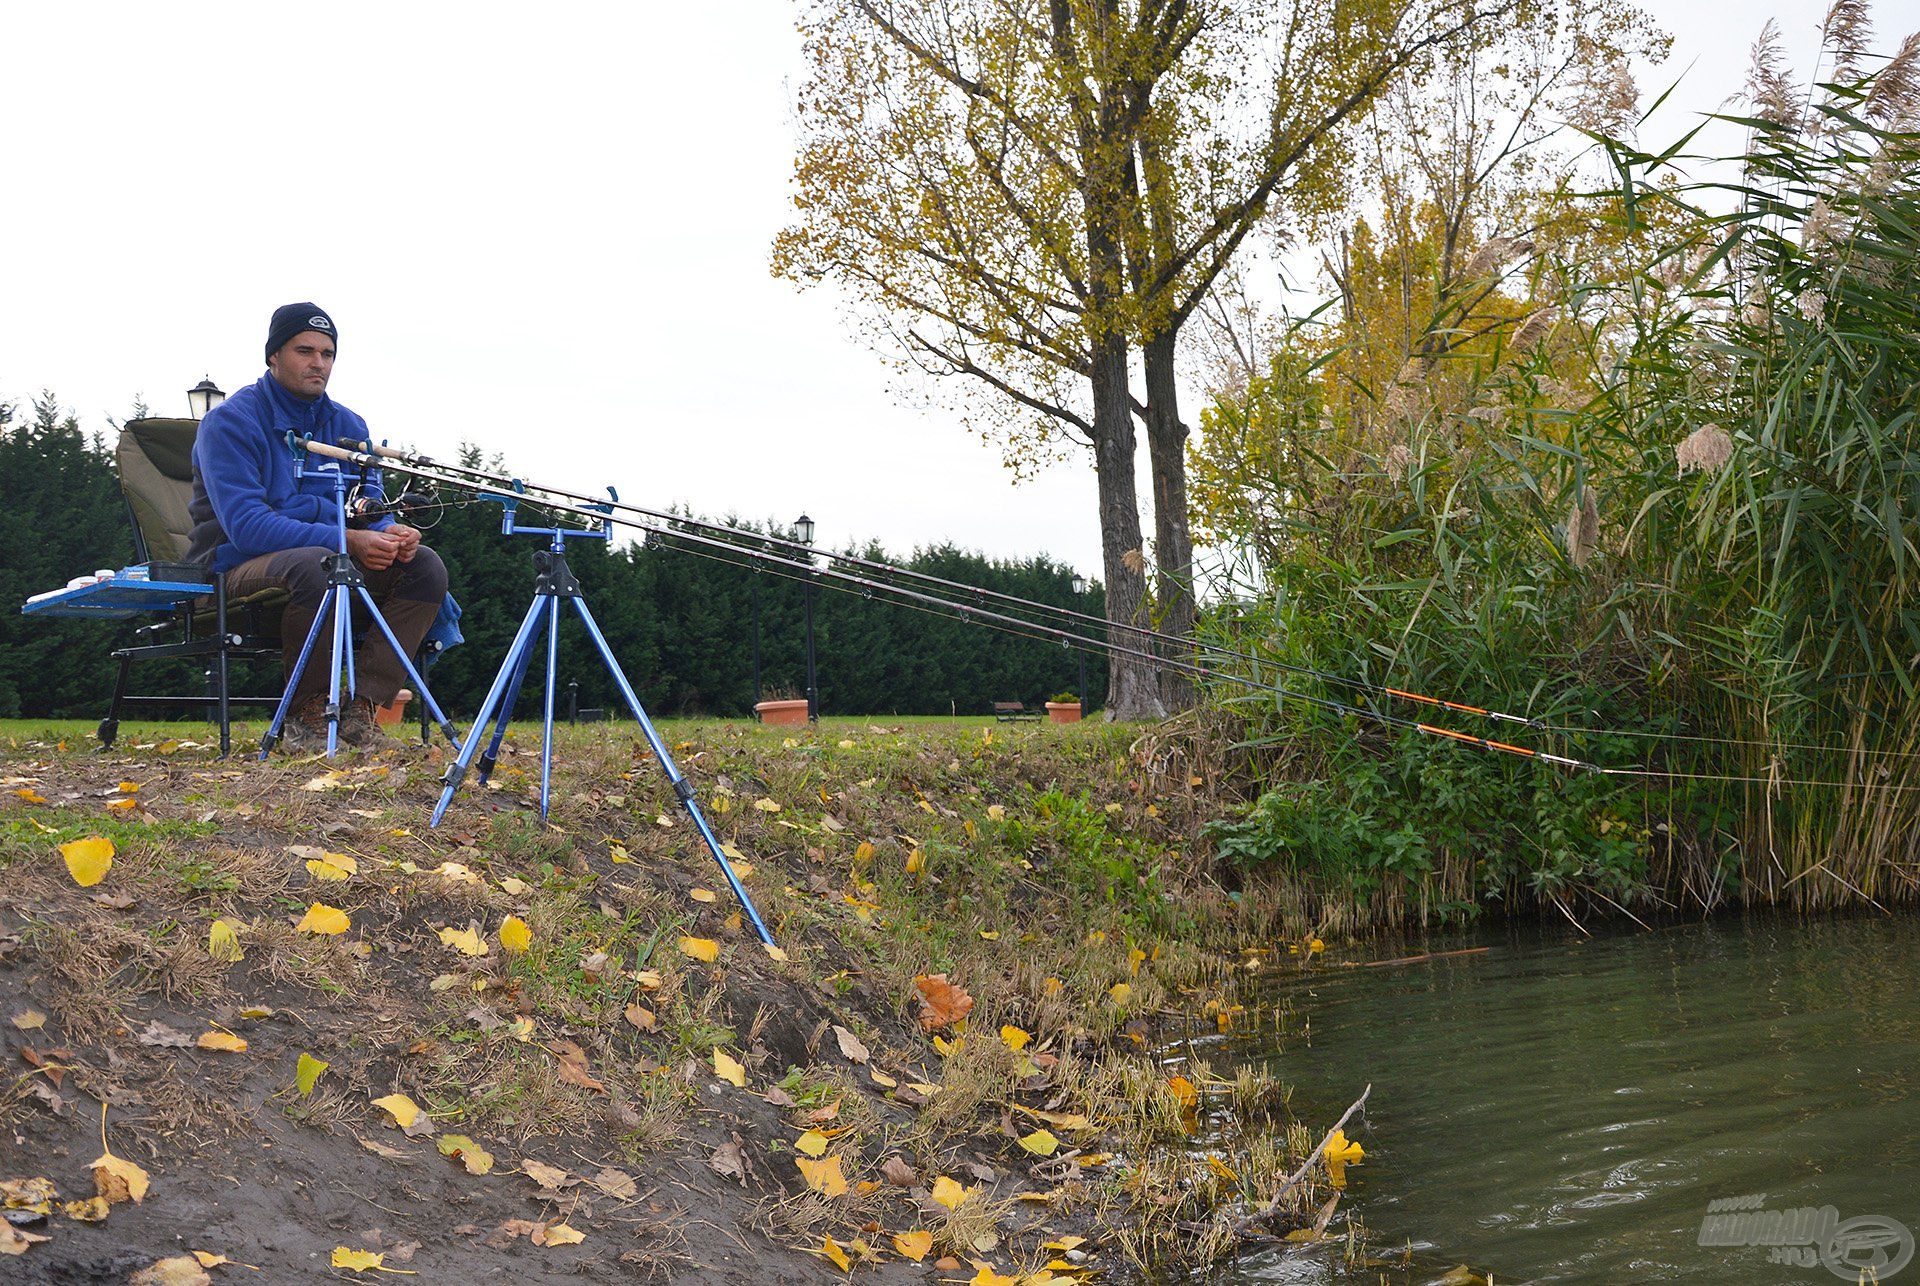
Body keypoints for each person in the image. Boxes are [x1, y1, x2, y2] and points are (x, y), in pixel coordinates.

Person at [186, 303, 448, 749]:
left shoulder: (349, 425)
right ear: (273, 356)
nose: (318, 363)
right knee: (321, 564)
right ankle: (306, 716)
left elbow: (369, 508)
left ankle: (360, 712)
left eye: (327, 354)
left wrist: (390, 533)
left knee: (424, 566)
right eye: (304, 350)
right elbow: (248, 527)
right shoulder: (229, 422)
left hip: (332, 559)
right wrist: (346, 538)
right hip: (234, 569)